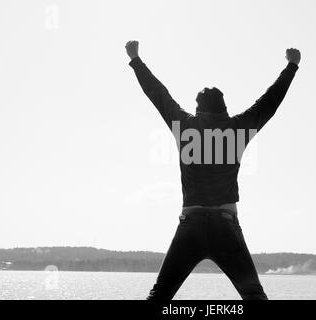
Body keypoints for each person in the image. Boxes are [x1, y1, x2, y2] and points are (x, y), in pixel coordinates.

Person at [125, 40, 300, 300]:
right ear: (224, 108)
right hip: (225, 227)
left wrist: (136, 60)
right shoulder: (237, 129)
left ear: (198, 109)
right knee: (253, 295)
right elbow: (269, 102)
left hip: (191, 225)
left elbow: (158, 94)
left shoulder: (185, 126)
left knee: (159, 295)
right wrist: (291, 66)